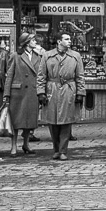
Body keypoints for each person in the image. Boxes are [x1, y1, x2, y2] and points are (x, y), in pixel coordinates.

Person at [37, 31, 85, 161]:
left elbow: (80, 76)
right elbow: (41, 76)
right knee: (52, 121)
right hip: (52, 90)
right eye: (67, 39)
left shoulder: (75, 56)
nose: (70, 41)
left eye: (70, 39)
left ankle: (63, 150)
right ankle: (56, 149)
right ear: (59, 41)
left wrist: (80, 93)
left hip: (68, 90)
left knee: (66, 121)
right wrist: (41, 92)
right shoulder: (47, 55)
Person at [2, 32, 42, 157]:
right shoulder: (16, 56)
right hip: (18, 93)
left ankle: (26, 144)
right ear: (26, 42)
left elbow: (41, 76)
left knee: (29, 121)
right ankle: (13, 146)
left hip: (32, 92)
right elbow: (9, 76)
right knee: (16, 122)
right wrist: (6, 94)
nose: (35, 42)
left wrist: (41, 92)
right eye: (33, 40)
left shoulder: (38, 56)